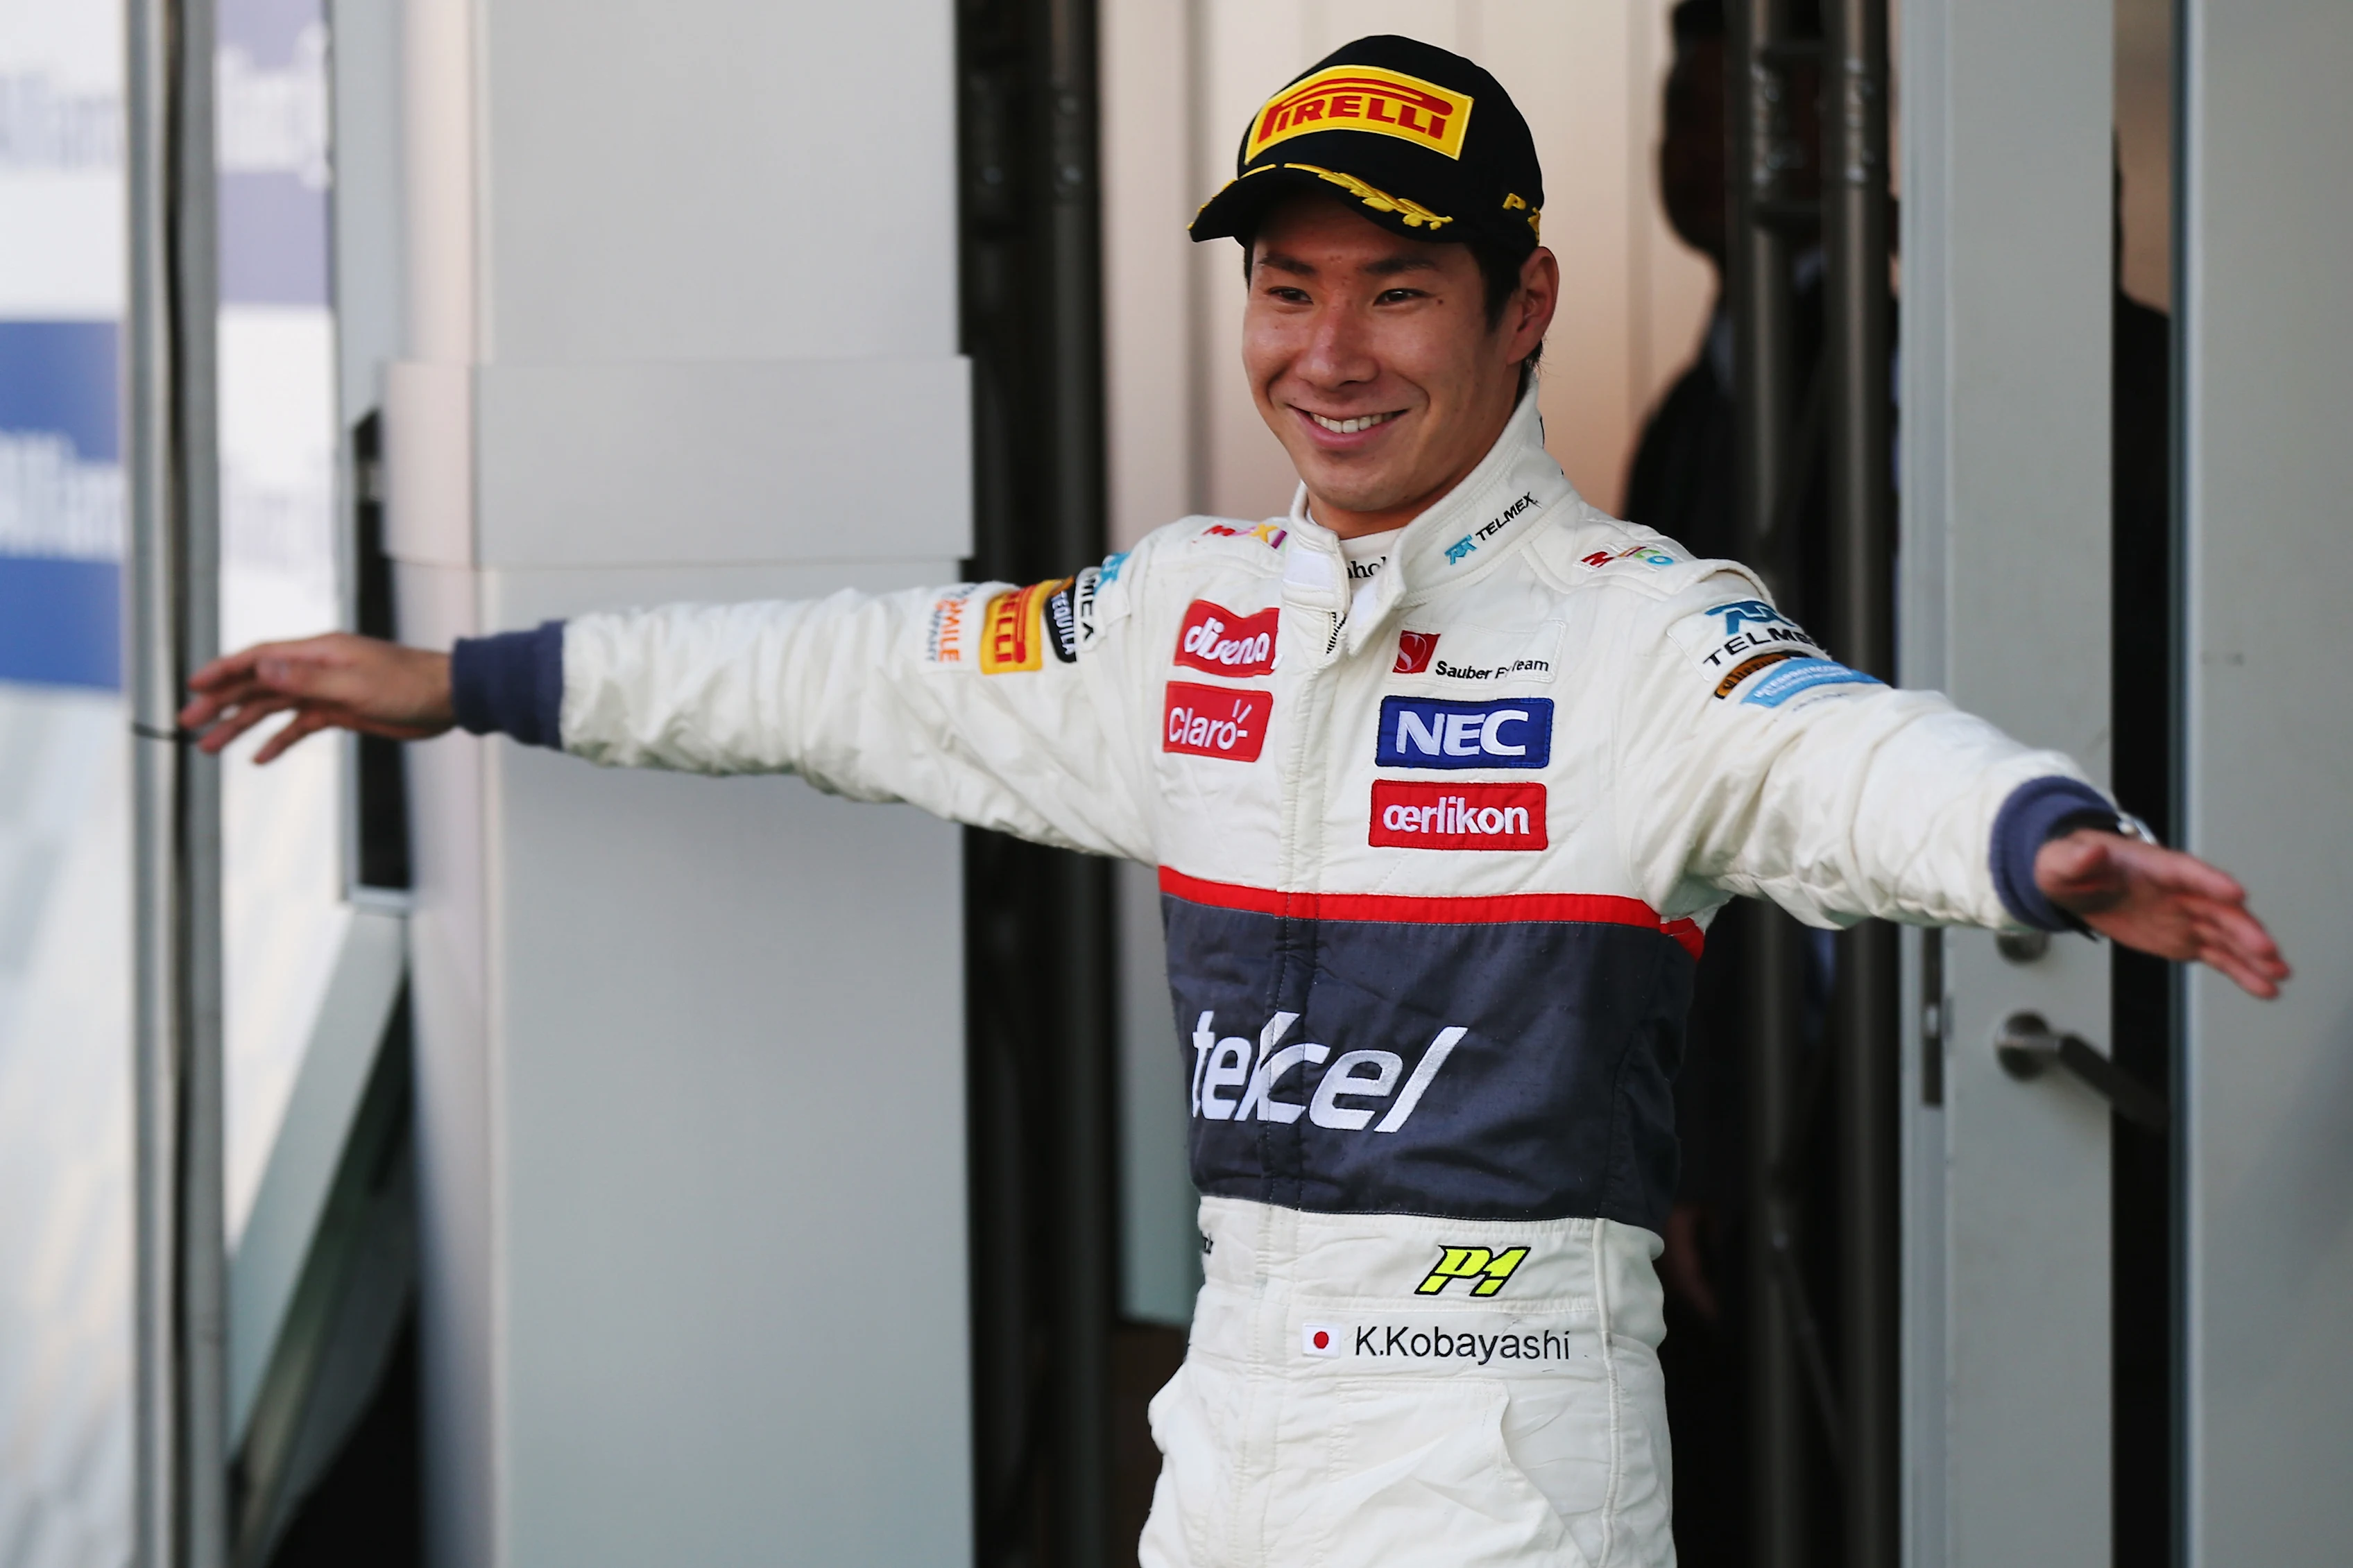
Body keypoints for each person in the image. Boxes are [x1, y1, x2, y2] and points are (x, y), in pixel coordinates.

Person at [181, 35, 2284, 1568]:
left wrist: (2034, 834)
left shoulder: (1644, 627)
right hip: (1233, 1442)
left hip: (1510, 1468)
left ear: (1521, 304)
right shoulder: (1184, 614)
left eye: (1399, 286)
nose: (1333, 349)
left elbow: (1839, 749)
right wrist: (465, 677)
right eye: (1291, 284)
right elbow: (847, 677)